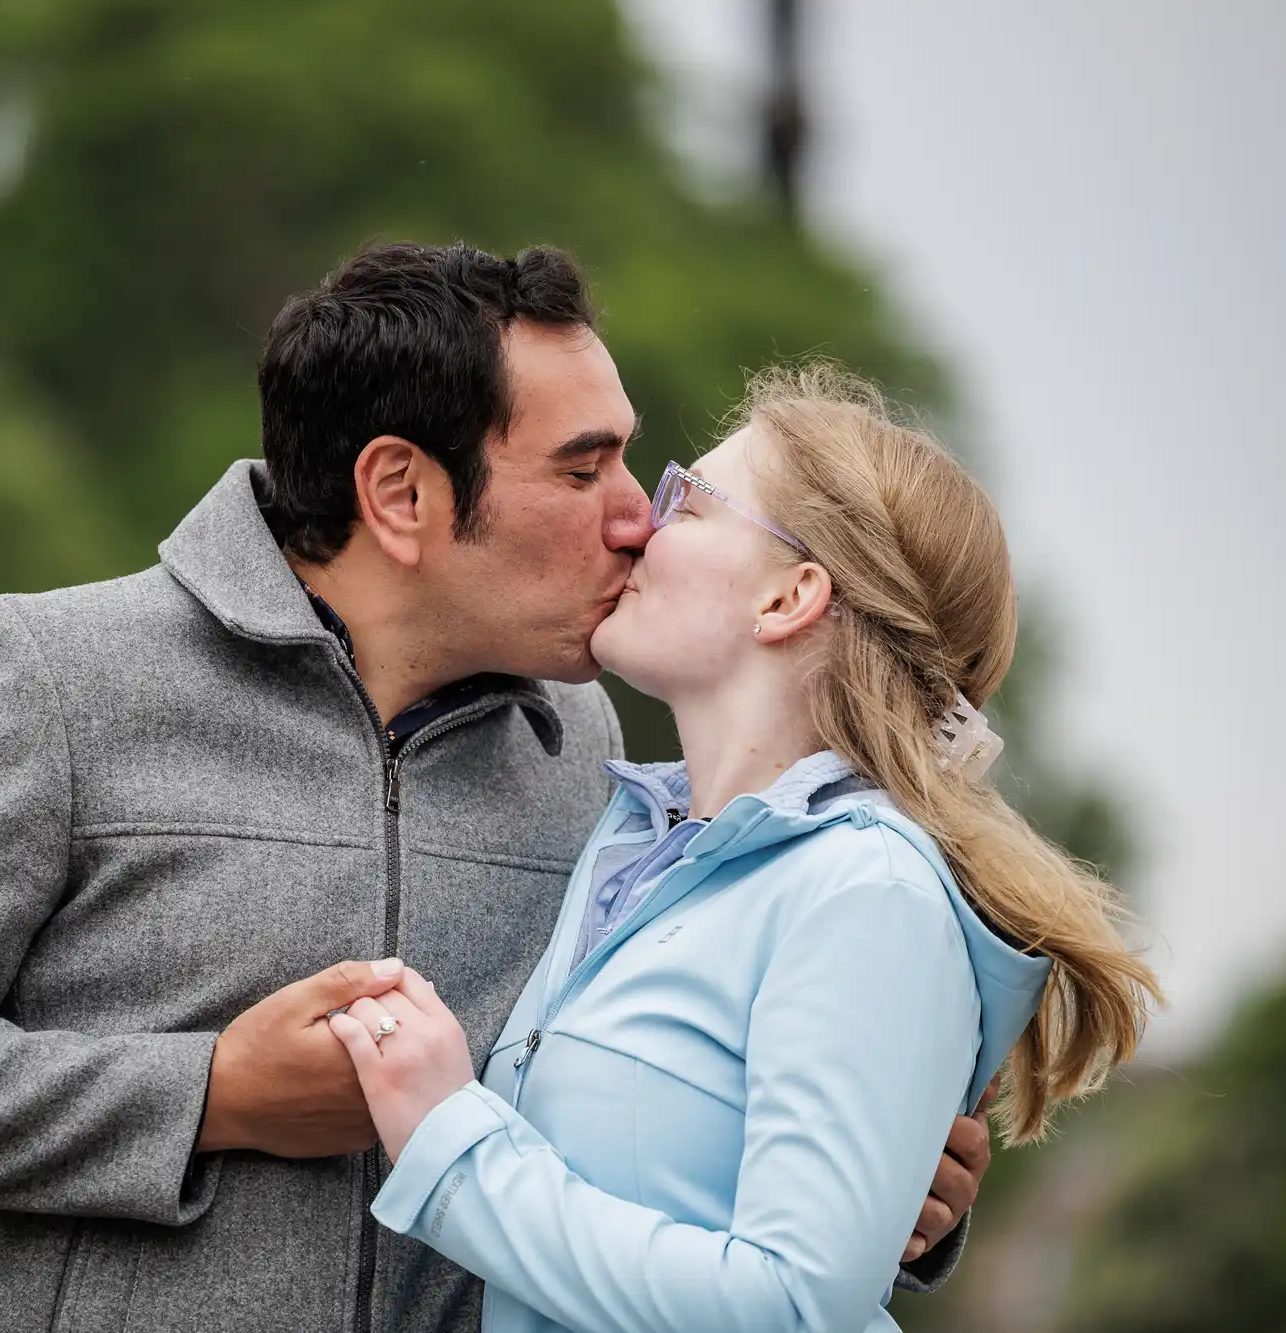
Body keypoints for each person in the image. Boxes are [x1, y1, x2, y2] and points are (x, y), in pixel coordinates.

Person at [0, 245, 992, 1333]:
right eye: (580, 468)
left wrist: (872, 1187)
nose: (634, 518)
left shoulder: (592, 763)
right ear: (400, 492)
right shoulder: (61, 679)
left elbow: (647, 1137)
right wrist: (210, 1094)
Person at [323, 364, 1161, 1333]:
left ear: (789, 596)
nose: (638, 520)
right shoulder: (629, 844)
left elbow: (790, 1306)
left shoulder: (867, 891)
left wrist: (446, 1142)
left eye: (686, 499)